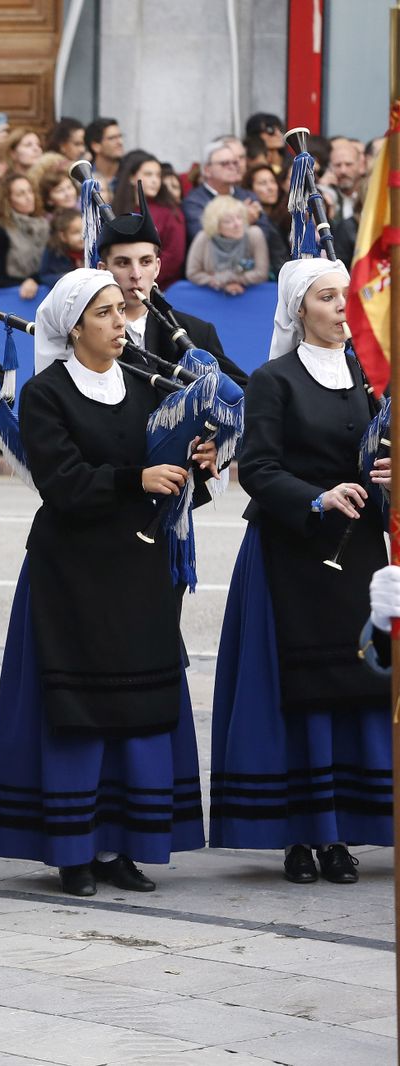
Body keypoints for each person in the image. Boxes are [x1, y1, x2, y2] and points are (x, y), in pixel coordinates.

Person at [0, 268, 213, 897]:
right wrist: (134, 479)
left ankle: (124, 847)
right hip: (72, 573)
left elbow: (175, 473)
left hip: (138, 570)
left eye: (121, 310)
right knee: (78, 710)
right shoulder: (45, 393)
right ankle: (73, 852)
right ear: (74, 325)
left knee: (136, 707)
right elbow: (61, 483)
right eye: (105, 313)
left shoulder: (147, 386)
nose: (120, 322)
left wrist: (199, 467)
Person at [210, 259, 391, 884]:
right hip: (293, 553)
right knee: (300, 694)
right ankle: (298, 836)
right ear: (298, 310)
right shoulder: (272, 379)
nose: (343, 306)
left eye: (346, 296)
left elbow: (383, 465)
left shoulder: (372, 378)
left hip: (359, 556)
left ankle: (340, 836)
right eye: (327, 297)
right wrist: (316, 497)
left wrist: (386, 487)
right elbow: (256, 469)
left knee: (354, 687)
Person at [95, 201, 249, 390]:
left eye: (145, 262)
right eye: (123, 263)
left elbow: (241, 389)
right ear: (103, 270)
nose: (136, 274)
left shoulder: (196, 331)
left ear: (157, 267)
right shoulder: (90, 335)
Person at [110, 150, 187, 290]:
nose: (155, 180)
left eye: (158, 175)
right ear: (132, 177)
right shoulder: (116, 208)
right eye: (148, 174)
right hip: (118, 286)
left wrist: (144, 278)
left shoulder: (170, 212)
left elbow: (174, 256)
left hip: (159, 288)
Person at [187, 195, 268, 295]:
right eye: (228, 221)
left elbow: (261, 273)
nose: (237, 224)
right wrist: (219, 282)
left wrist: (235, 280)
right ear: (216, 226)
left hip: (250, 294)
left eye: (239, 217)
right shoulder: (204, 237)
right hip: (214, 295)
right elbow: (193, 273)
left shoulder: (254, 234)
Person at [0, 171, 48, 296]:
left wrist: (35, 280)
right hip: (16, 295)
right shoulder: (1, 230)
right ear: (8, 200)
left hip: (44, 290)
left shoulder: (44, 224)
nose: (29, 197)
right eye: (21, 194)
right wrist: (26, 282)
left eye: (30, 191)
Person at [182, 139, 253, 241]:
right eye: (224, 163)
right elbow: (203, 238)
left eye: (235, 162)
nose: (233, 167)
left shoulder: (248, 196)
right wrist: (245, 221)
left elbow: (265, 234)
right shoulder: (193, 202)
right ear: (207, 170)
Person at [85, 117, 124, 185]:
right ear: (96, 146)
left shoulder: (130, 175)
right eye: (112, 138)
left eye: (120, 136)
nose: (120, 142)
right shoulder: (84, 177)